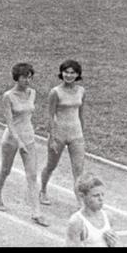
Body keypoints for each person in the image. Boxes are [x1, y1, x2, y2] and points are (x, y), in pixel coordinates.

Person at [0, 63, 49, 226]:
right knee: (5, 170)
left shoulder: (33, 93)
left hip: (29, 137)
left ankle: (37, 212)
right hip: (11, 139)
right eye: (24, 77)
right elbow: (10, 122)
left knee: (32, 175)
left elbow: (27, 117)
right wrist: (18, 141)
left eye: (30, 77)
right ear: (17, 78)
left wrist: (27, 139)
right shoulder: (8, 96)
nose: (28, 80)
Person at [39, 59, 86, 205]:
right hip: (59, 134)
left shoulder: (81, 91)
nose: (69, 75)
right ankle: (43, 190)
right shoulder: (55, 92)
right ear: (62, 73)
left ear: (77, 74)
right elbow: (50, 115)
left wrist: (82, 134)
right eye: (66, 72)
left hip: (76, 135)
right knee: (51, 165)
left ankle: (80, 202)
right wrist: (52, 137)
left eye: (72, 73)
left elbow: (81, 114)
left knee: (78, 170)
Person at [66, 173, 119, 247]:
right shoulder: (77, 222)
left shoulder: (108, 217)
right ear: (82, 196)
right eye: (96, 195)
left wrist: (112, 244)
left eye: (102, 194)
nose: (101, 199)